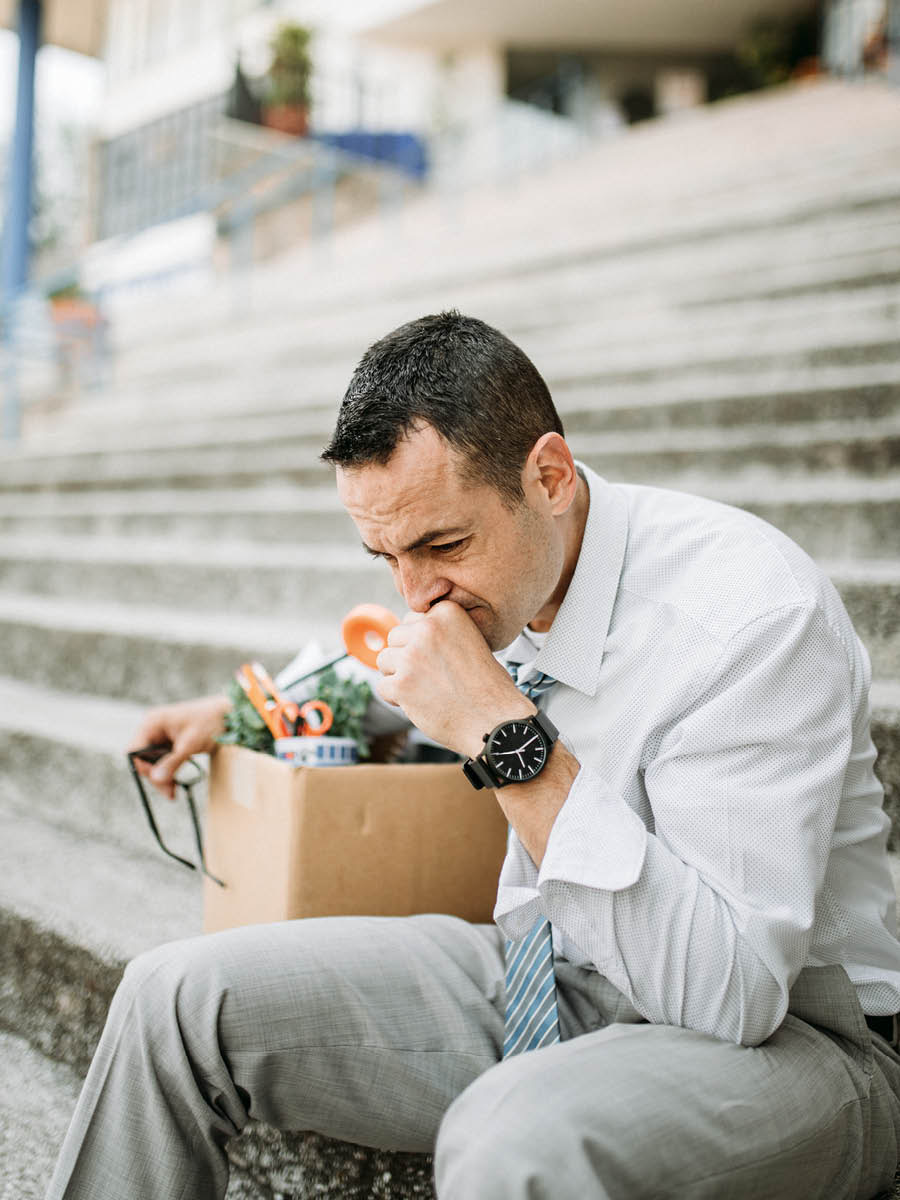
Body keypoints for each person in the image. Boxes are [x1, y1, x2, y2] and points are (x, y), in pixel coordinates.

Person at [48, 311, 900, 1199]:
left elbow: (733, 993)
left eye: (441, 546)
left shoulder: (749, 619)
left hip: (794, 1044)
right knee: (172, 997)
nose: (417, 597)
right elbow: (380, 669)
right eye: (386, 556)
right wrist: (237, 712)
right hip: (552, 979)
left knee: (513, 1136)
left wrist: (508, 739)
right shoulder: (507, 576)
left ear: (550, 476)